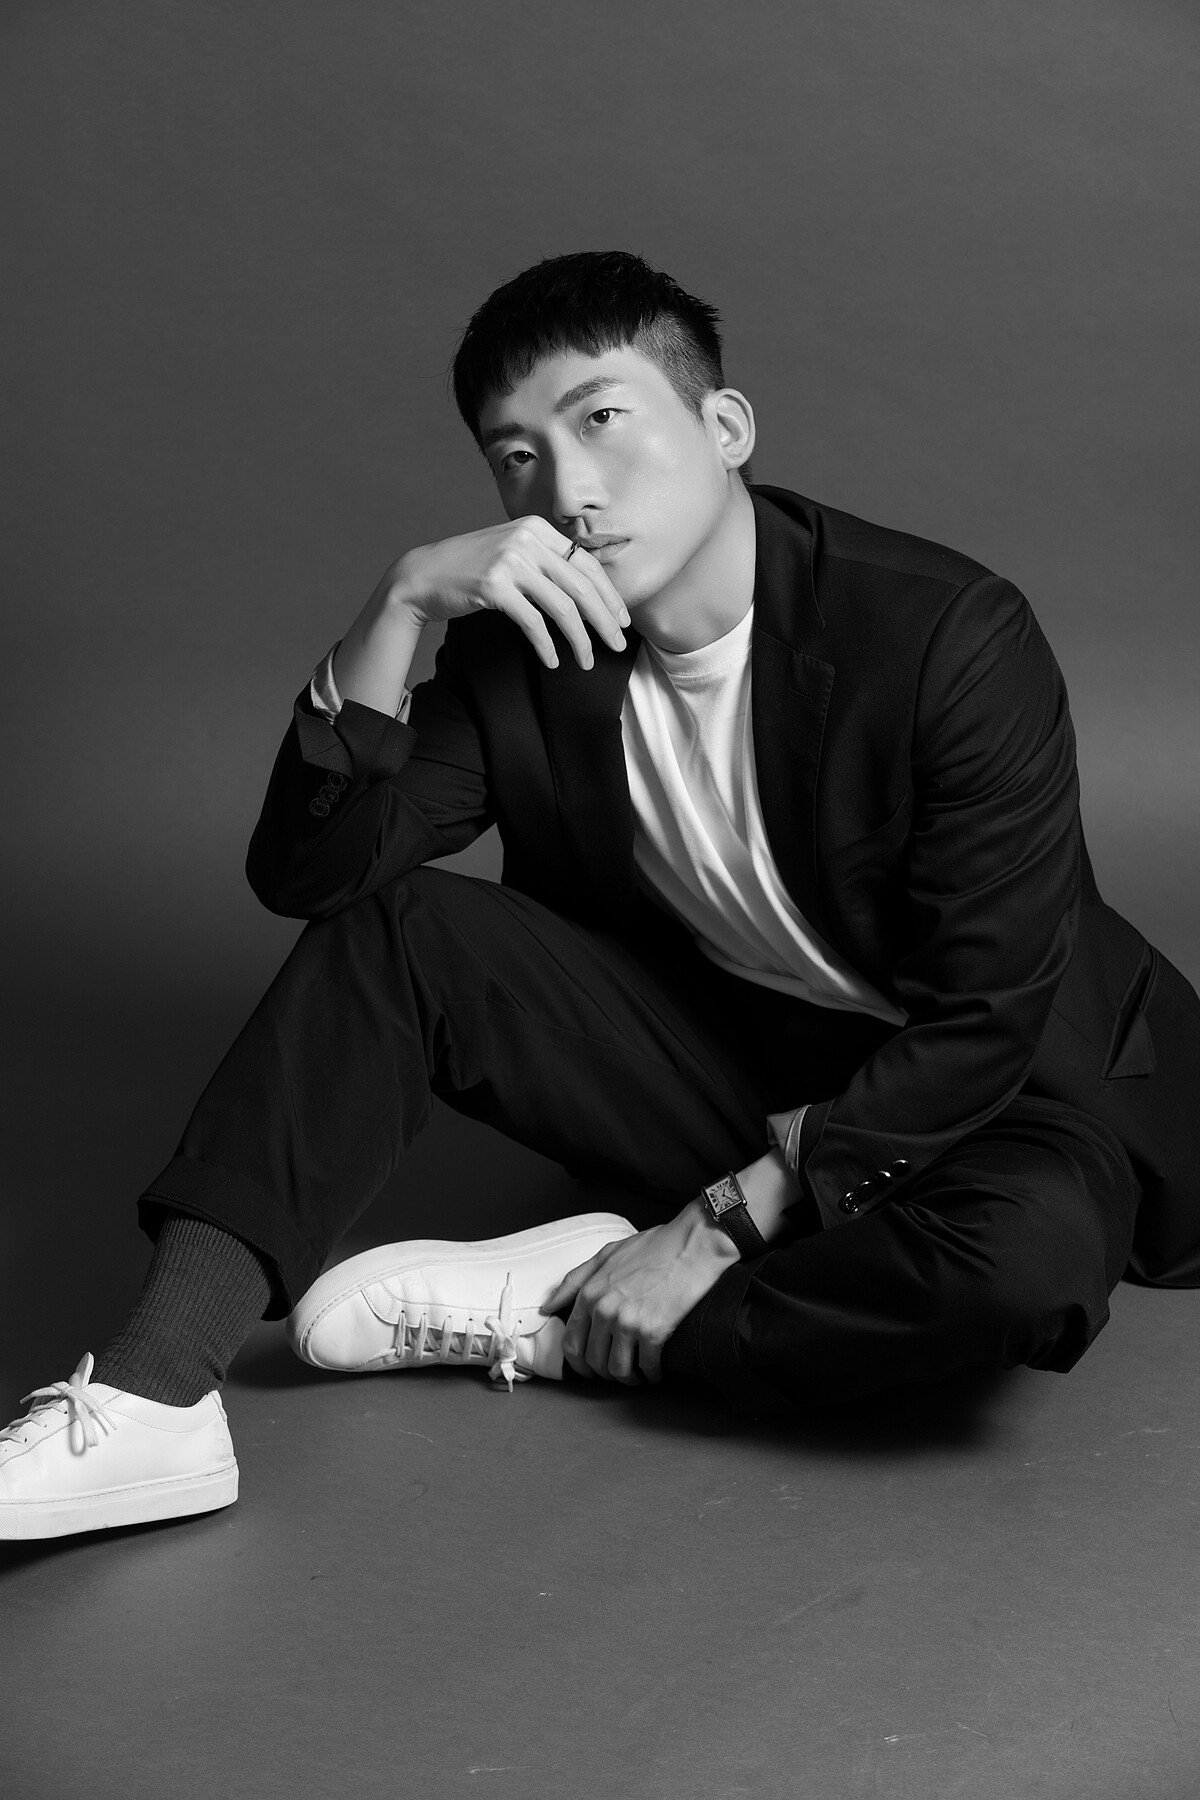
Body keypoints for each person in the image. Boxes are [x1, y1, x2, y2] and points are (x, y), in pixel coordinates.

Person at [3, 250, 1198, 1542]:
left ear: (724, 426)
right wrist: (399, 602)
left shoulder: (945, 634)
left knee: (1017, 1278)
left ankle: (562, 1316)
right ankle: (153, 1396)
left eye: (603, 419)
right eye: (516, 456)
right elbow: (314, 873)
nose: (567, 491)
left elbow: (986, 1015)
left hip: (997, 1098)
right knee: (397, 926)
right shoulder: (527, 648)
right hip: (731, 1066)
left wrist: (714, 1229)